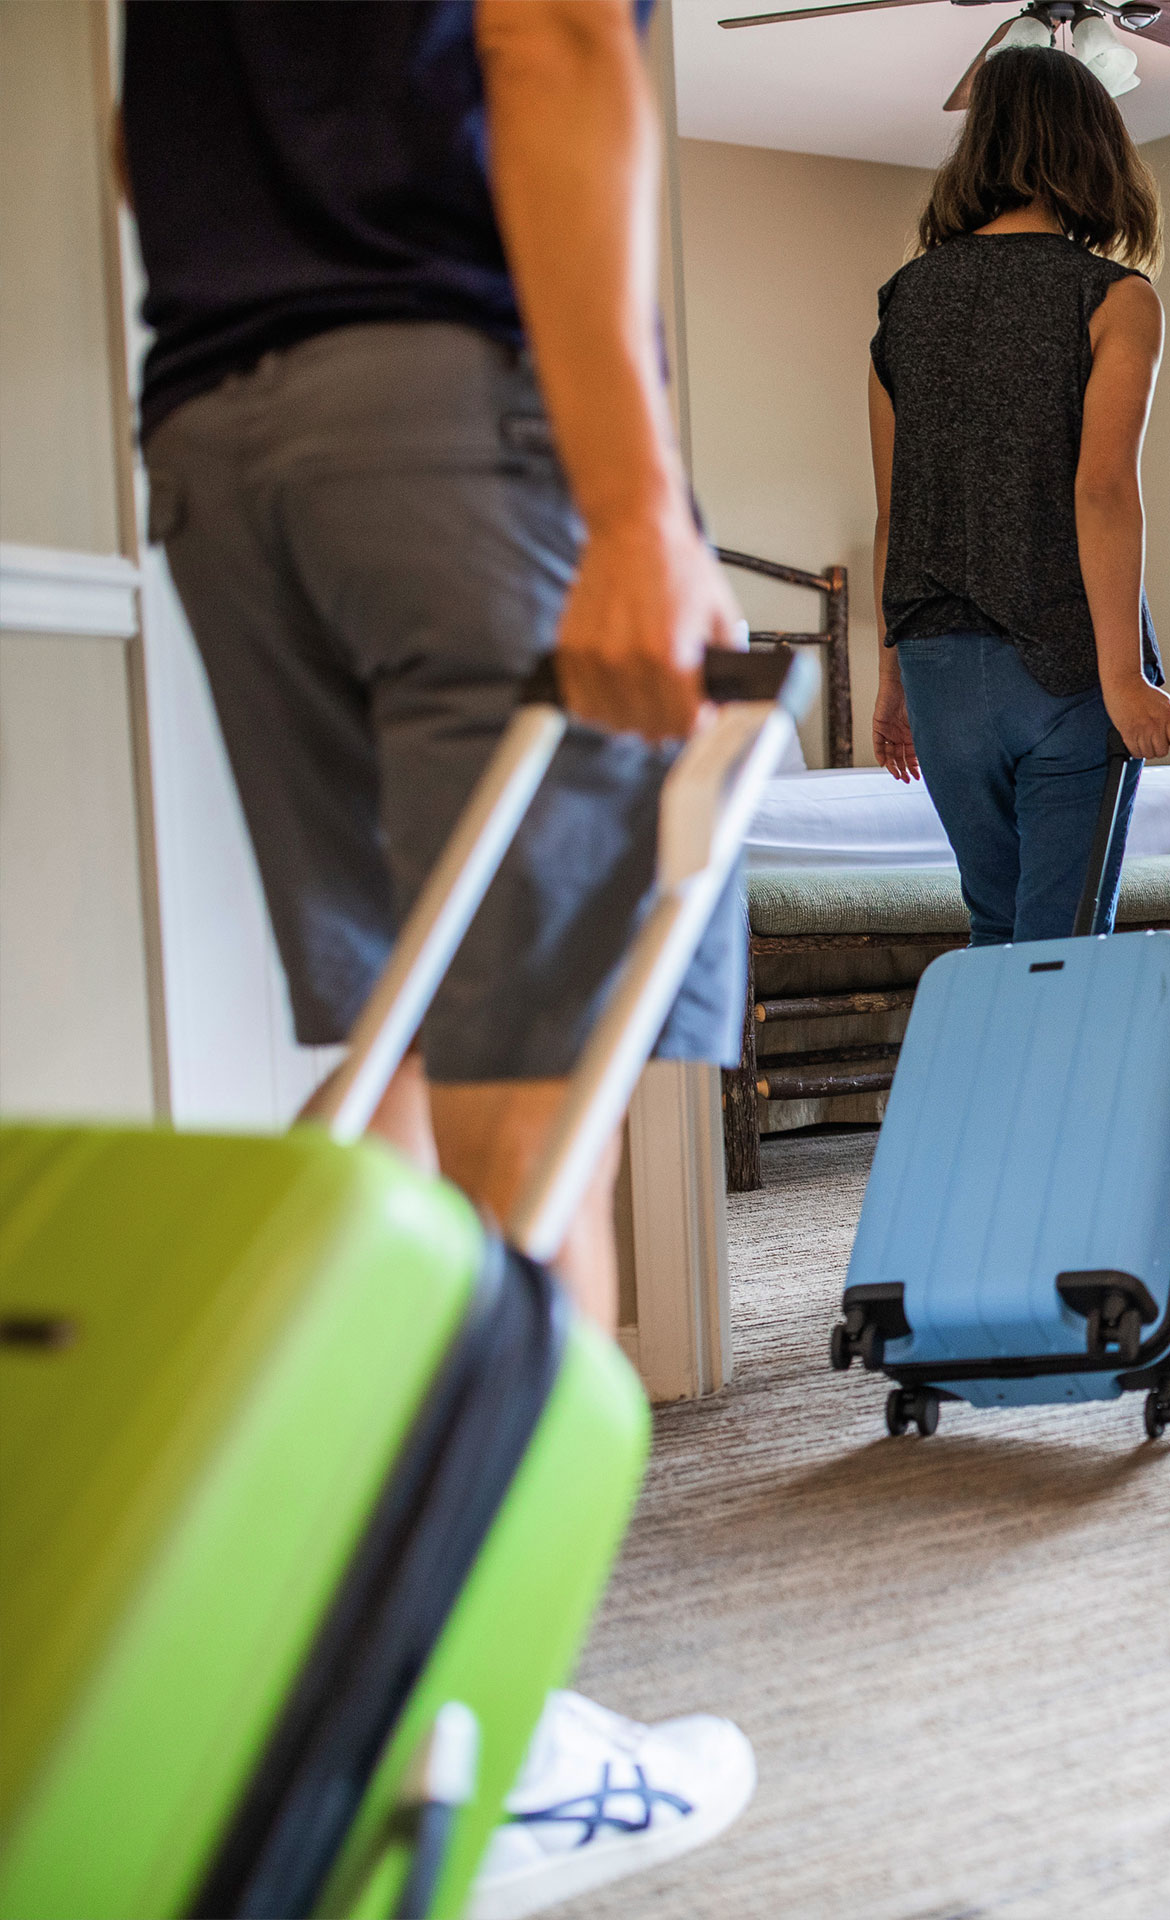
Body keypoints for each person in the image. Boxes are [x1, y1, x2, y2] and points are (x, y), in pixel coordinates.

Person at [121, 4, 752, 1912]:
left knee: (396, 1059)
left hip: (223, 423)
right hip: (453, 412)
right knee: (529, 1113)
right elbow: (554, 35)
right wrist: (639, 506)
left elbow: (145, 118)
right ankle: (486, 1744)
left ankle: (307, 1661)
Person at [867, 44, 1170, 943]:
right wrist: (1122, 676)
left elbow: (895, 510)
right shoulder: (1114, 297)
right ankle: (1070, 1090)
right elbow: (1103, 490)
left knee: (995, 930)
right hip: (1060, 661)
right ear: (1093, 151)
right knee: (1062, 945)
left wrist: (891, 679)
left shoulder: (905, 302)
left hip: (937, 669)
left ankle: (985, 1089)